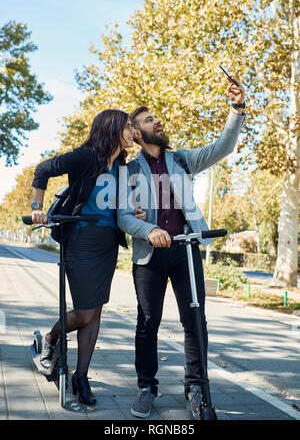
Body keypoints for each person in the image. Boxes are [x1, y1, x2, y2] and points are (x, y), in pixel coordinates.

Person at [117, 77, 246, 418]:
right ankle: (146, 387)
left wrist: (236, 110)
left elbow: (222, 147)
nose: (157, 121)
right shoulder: (128, 171)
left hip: (186, 250)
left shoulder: (183, 160)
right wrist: (149, 229)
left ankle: (197, 388)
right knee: (148, 322)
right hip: (150, 255)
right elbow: (125, 217)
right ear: (136, 132)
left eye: (156, 118)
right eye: (148, 120)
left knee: (195, 320)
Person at [30, 109, 145, 406]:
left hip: (108, 244)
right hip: (81, 239)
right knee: (83, 312)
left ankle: (81, 375)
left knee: (95, 312)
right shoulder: (84, 156)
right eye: (129, 126)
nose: (133, 131)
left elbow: (119, 207)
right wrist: (36, 207)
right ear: (113, 128)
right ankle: (51, 341)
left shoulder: (122, 167)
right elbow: (43, 169)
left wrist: (135, 213)